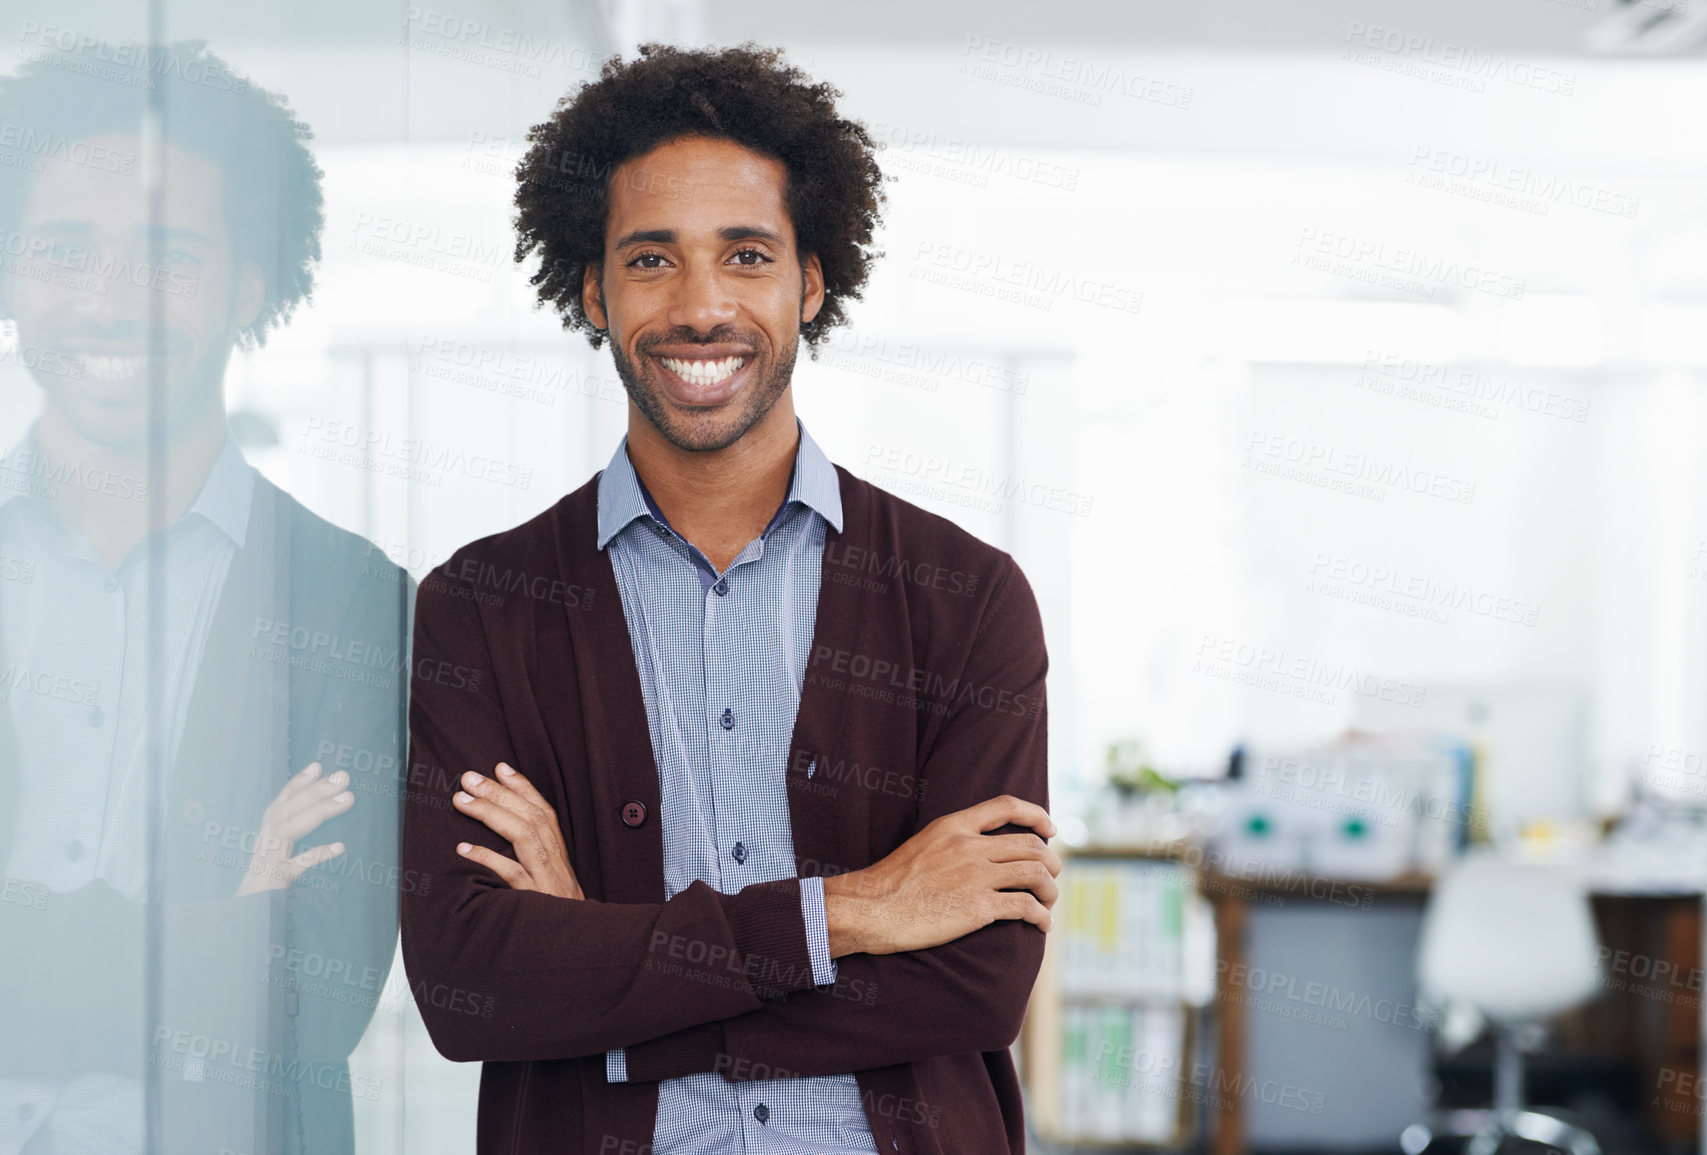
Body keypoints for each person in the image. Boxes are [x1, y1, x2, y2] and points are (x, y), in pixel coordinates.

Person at [401, 44, 1058, 1155]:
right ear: (592, 291)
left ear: (811, 280)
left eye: (745, 255)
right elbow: (471, 986)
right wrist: (852, 912)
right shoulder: (483, 605)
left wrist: (607, 976)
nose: (701, 307)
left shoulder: (965, 599)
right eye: (651, 260)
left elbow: (976, 984)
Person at [0, 40, 407, 1154]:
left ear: (249, 285)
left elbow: (310, 998)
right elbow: (242, 971)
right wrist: (217, 935)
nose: (107, 301)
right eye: (62, 249)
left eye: (167, 257)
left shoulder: (347, 601)